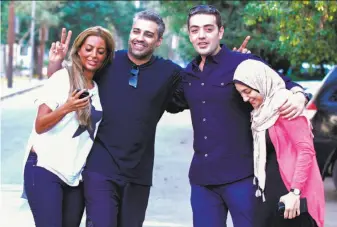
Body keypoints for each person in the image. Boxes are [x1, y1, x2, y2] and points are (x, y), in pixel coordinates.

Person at [172, 5, 310, 227]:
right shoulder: (188, 74)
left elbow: (283, 83)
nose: (202, 35)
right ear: (189, 34)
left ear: (221, 32)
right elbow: (170, 103)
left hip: (243, 178)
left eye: (208, 29)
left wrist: (299, 95)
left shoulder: (243, 63)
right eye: (195, 30)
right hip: (202, 181)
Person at [23, 26, 115, 227]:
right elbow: (40, 125)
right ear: (79, 50)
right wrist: (67, 107)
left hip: (74, 176)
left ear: (107, 56)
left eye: (101, 51)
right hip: (45, 168)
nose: (94, 55)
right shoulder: (62, 78)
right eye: (89, 49)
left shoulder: (97, 88)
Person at [233, 59, 325, 227]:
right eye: (241, 94)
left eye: (247, 91)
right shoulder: (261, 112)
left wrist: (295, 193)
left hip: (290, 194)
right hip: (267, 192)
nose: (245, 99)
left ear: (260, 82)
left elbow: (306, 151)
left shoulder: (285, 105)